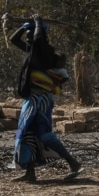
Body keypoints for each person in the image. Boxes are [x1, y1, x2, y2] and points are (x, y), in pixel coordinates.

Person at [8, 15, 82, 183]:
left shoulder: (48, 52)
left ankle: (73, 163)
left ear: (40, 34)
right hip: (32, 97)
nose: (29, 36)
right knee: (29, 134)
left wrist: (37, 23)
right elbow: (14, 39)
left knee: (43, 133)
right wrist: (24, 27)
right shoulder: (32, 49)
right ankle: (30, 172)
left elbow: (38, 38)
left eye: (31, 33)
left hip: (40, 99)